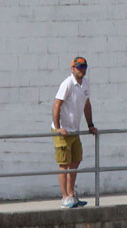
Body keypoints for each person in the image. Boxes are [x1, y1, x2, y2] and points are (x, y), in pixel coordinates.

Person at [51, 56, 97, 209]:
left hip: (74, 130)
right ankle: (64, 197)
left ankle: (72, 195)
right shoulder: (67, 84)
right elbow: (57, 104)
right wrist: (58, 128)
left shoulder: (85, 84)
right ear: (72, 68)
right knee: (64, 164)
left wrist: (90, 125)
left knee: (75, 161)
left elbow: (86, 105)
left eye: (84, 67)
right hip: (63, 130)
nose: (81, 69)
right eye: (79, 67)